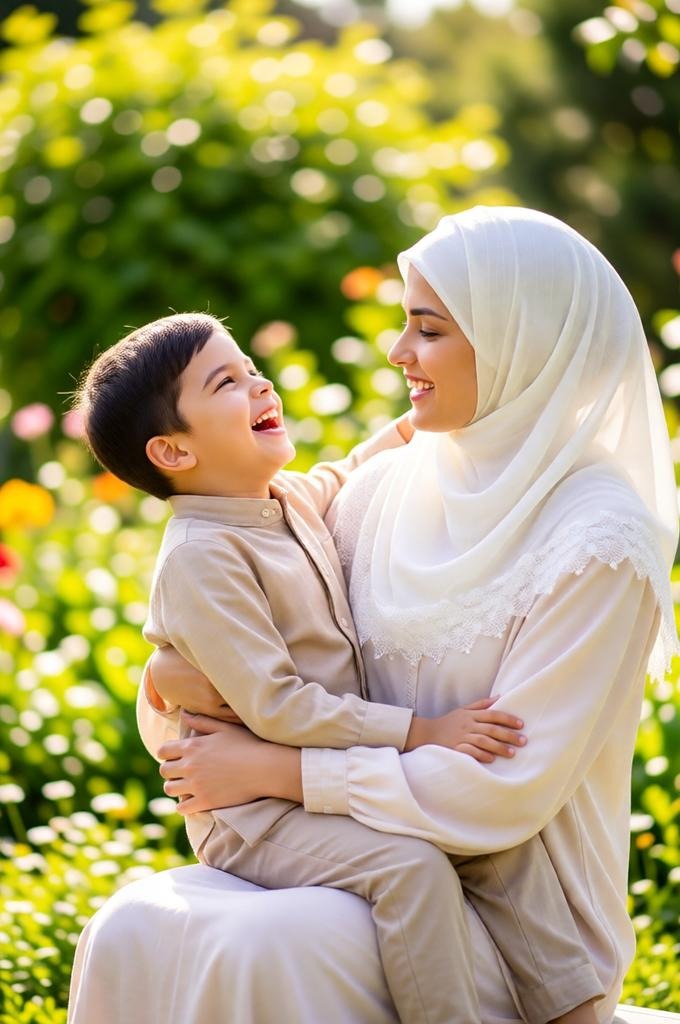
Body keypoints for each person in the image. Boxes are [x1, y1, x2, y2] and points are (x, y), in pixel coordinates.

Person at [69, 207, 678, 1024]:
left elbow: (499, 790)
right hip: (357, 847)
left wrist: (278, 772)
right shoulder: (390, 491)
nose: (397, 354)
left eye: (427, 330)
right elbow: (233, 694)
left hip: (508, 902)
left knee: (274, 944)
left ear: (515, 339)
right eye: (403, 327)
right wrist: (167, 681)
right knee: (136, 925)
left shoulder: (596, 539)